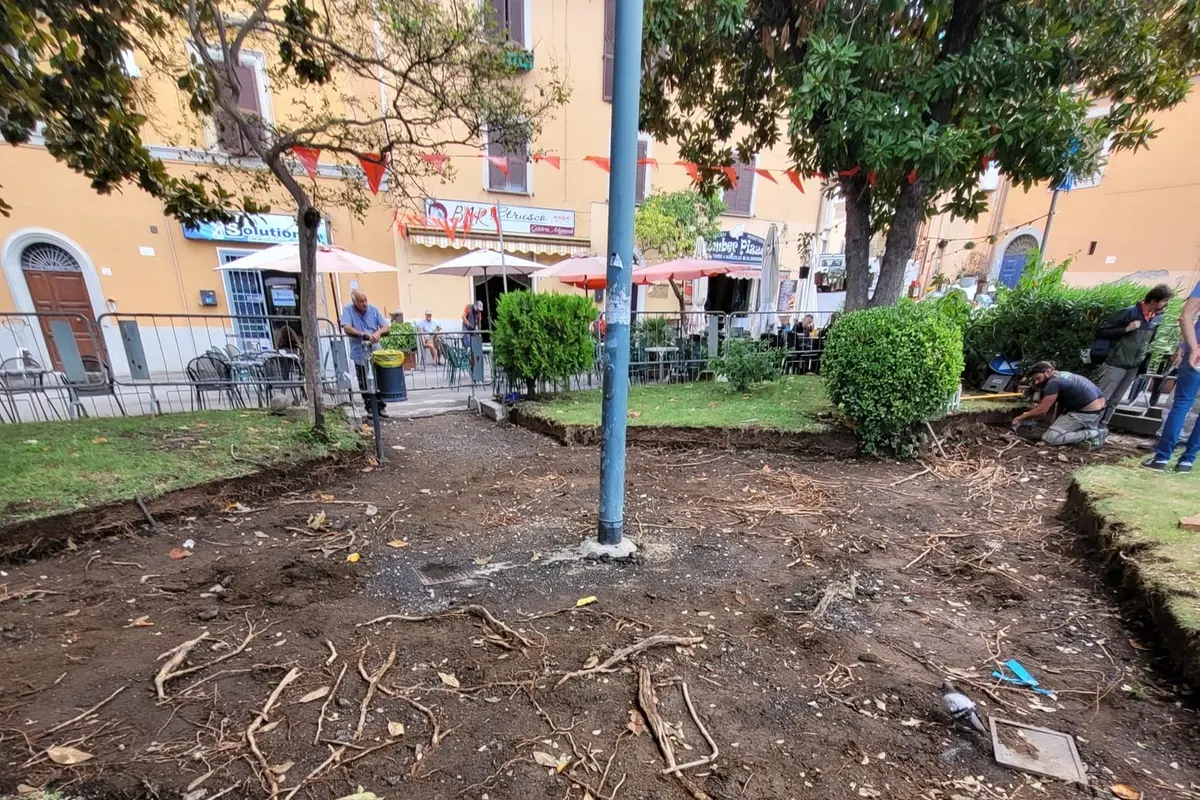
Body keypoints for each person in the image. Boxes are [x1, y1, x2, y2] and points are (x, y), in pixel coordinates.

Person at [1092, 284, 1173, 424]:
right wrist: (1126, 329)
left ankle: (1102, 427)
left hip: (1133, 366)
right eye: (1164, 301)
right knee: (1102, 398)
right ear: (1154, 300)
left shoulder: (1157, 318)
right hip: (1115, 363)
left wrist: (1142, 363)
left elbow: (1148, 341)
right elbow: (1101, 332)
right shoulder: (1129, 313)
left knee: (1115, 400)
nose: (1166, 304)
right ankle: (1089, 426)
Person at [1144, 280, 1200, 472]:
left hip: (1196, 354)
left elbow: (1185, 317)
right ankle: (1187, 461)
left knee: (1182, 404)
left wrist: (1192, 348)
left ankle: (1161, 458)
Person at [1012, 361, 1107, 447]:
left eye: (1038, 378)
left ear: (1047, 372)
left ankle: (1095, 433)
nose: (1037, 382)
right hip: (1097, 408)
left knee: (1050, 438)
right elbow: (1057, 405)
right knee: (1052, 429)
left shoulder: (1053, 383)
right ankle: (1088, 430)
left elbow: (1042, 410)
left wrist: (1019, 418)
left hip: (1085, 413)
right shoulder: (1060, 375)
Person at [340, 289, 391, 418]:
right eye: (361, 301)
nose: (364, 303)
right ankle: (370, 409)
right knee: (364, 381)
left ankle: (381, 407)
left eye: (365, 300)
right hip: (359, 352)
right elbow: (347, 328)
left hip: (375, 351)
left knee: (379, 380)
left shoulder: (373, 309)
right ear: (354, 302)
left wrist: (378, 333)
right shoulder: (348, 310)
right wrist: (363, 334)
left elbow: (386, 327)